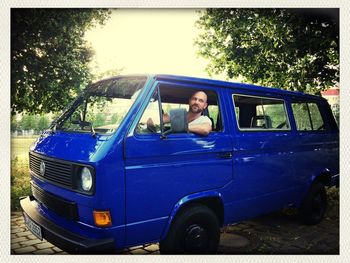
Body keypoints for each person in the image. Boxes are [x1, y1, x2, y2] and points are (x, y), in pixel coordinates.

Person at [147, 91, 212, 136]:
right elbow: (157, 120)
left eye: (201, 101)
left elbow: (205, 129)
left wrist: (181, 127)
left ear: (205, 105)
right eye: (194, 99)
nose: (196, 102)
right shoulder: (177, 114)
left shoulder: (204, 120)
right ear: (189, 101)